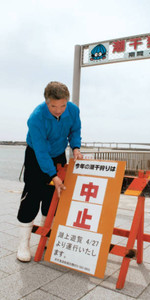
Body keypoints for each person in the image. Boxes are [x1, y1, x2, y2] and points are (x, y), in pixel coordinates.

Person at [17, 81, 83, 262]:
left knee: (52, 196)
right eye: (53, 106)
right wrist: (53, 175)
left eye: (62, 105)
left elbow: (75, 130)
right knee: (32, 196)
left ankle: (45, 235)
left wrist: (76, 147)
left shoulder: (73, 110)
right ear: (46, 102)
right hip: (36, 156)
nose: (58, 110)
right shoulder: (36, 118)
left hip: (58, 154)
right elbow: (41, 150)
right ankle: (23, 243)